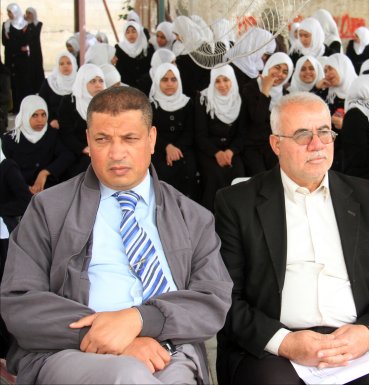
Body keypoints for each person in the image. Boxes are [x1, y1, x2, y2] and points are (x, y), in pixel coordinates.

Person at [0, 86, 233, 384]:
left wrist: (139, 320)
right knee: (129, 374)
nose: (116, 153)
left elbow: (212, 299)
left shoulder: (192, 216)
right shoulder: (48, 209)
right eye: (103, 139)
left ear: (151, 140)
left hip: (168, 351)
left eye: (129, 138)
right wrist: (108, 336)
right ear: (88, 140)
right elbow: (20, 302)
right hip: (70, 349)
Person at [214, 91, 369, 385]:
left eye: (324, 132)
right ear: (276, 144)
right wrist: (284, 342)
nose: (317, 145)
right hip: (274, 348)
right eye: (302, 135)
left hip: (353, 342)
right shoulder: (237, 203)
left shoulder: (366, 197)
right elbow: (226, 296)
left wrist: (368, 333)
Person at [195, 65, 245, 211]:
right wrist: (216, 153)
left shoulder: (238, 99)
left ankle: (236, 215)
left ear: (232, 80)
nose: (222, 85)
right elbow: (200, 135)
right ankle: (211, 217)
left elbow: (242, 134)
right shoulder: (204, 99)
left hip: (231, 150)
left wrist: (231, 151)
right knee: (214, 175)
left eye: (226, 80)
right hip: (209, 151)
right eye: (217, 81)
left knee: (238, 173)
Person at [1, 95, 74, 193]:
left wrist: (45, 172)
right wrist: (24, 187)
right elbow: (8, 169)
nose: (40, 120)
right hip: (18, 190)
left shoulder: (52, 134)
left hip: (46, 187)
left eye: (43, 115)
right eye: (34, 115)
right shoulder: (10, 139)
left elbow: (67, 155)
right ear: (25, 115)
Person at [240, 52, 293, 176]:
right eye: (277, 67)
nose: (280, 74)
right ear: (269, 66)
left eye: (285, 72)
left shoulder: (285, 94)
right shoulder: (250, 88)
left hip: (273, 147)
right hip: (251, 146)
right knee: (262, 177)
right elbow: (257, 119)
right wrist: (265, 91)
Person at [148, 63, 197, 199]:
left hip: (184, 149)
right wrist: (167, 147)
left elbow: (190, 131)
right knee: (162, 172)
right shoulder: (151, 105)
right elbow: (149, 131)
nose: (169, 83)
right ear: (157, 81)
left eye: (173, 79)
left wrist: (176, 148)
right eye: (164, 79)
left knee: (188, 170)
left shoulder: (188, 103)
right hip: (158, 149)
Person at [59, 64, 106, 177]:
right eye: (92, 81)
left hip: (102, 148)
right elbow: (65, 133)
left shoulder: (108, 103)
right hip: (76, 151)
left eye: (101, 81)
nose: (98, 85)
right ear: (82, 82)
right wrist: (84, 149)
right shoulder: (69, 102)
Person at [2, 3, 33, 112]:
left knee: (22, 82)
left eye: (10, 12)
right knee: (11, 83)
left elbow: (26, 41)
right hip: (10, 57)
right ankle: (14, 107)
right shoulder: (6, 25)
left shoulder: (25, 25)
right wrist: (18, 45)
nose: (9, 14)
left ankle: (23, 107)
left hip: (22, 59)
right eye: (8, 12)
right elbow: (4, 42)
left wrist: (15, 43)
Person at [172, 16, 212, 97]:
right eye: (175, 34)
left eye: (178, 34)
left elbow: (208, 70)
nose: (176, 37)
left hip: (200, 91)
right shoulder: (176, 45)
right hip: (182, 91)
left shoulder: (202, 45)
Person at [38, 51, 78, 129]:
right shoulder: (50, 83)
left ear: (74, 64)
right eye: (61, 64)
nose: (65, 66)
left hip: (75, 125)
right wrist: (50, 120)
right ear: (57, 66)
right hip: (54, 125)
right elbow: (41, 104)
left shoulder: (79, 82)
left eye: (69, 63)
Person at [115, 21, 154, 90]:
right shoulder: (119, 48)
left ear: (139, 32)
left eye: (134, 31)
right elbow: (119, 69)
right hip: (126, 88)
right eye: (127, 32)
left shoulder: (147, 48)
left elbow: (152, 67)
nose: (131, 35)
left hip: (146, 87)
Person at [25, 7, 45, 93]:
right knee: (30, 69)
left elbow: (35, 34)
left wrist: (28, 24)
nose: (28, 15)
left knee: (38, 68)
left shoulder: (38, 24)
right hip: (28, 51)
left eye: (30, 13)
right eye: (27, 13)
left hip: (36, 50)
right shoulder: (25, 25)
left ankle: (40, 88)